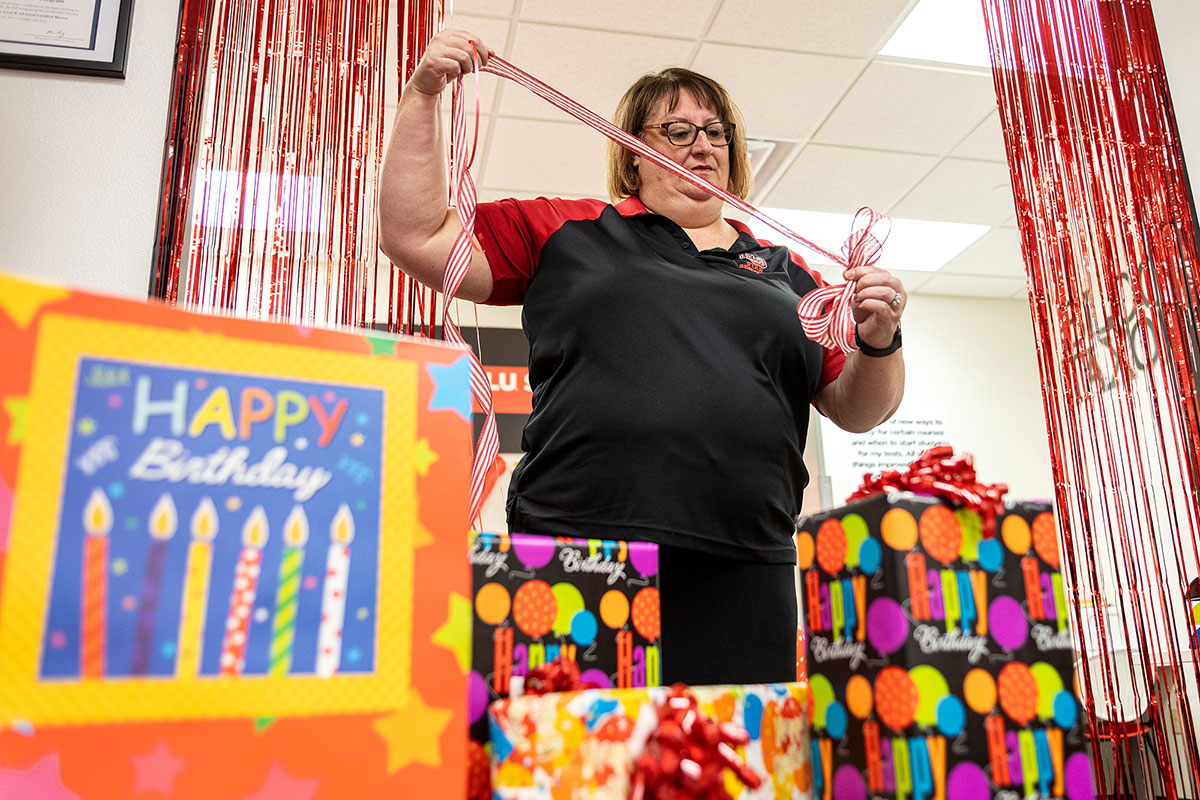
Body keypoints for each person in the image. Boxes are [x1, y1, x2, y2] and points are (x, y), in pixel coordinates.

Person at [379, 30, 906, 685]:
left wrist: (881, 340)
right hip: (579, 552)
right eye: (677, 131)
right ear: (632, 157)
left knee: (729, 772)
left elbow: (858, 409)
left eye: (716, 132)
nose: (704, 145)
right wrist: (423, 94)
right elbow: (416, 234)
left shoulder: (789, 274)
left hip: (744, 565)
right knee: (571, 768)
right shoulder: (568, 232)